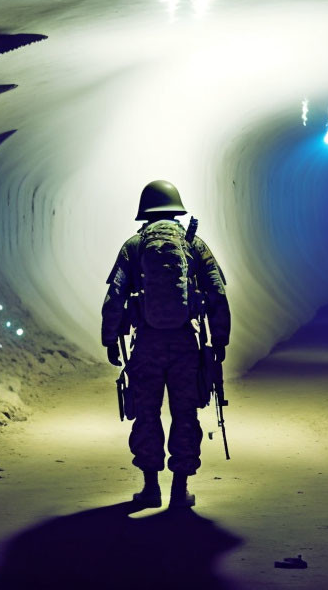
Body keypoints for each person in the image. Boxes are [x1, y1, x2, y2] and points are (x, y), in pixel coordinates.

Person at [102, 180, 230, 508]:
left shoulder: (134, 246)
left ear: (145, 212)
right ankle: (179, 487)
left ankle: (150, 487)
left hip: (146, 345)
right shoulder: (194, 246)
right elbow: (217, 292)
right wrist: (219, 340)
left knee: (146, 413)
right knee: (184, 413)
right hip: (186, 345)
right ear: (176, 210)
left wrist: (110, 339)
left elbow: (115, 295)